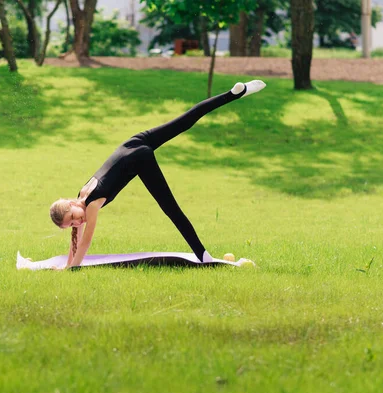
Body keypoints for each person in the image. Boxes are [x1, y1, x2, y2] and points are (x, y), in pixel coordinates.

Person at [50, 80, 267, 268]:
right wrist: (68, 262)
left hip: (138, 157)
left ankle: (204, 257)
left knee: (171, 208)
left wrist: (74, 268)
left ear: (71, 204)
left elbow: (85, 241)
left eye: (73, 218)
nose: (77, 222)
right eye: (71, 224)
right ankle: (234, 93)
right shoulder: (82, 194)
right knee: (184, 121)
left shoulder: (93, 205)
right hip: (131, 143)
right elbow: (76, 238)